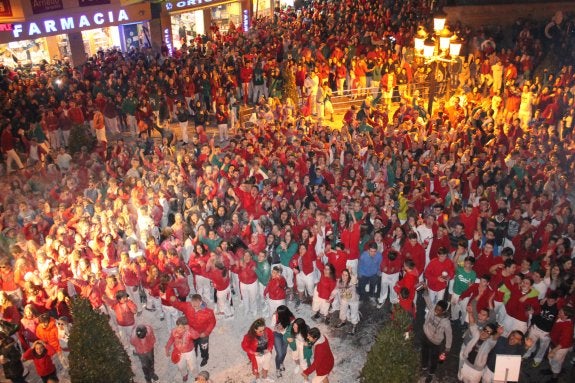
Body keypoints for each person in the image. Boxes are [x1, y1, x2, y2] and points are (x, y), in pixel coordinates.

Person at [171, 294, 216, 368]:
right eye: (193, 302)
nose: (194, 304)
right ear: (190, 301)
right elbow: (178, 305)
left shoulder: (208, 312)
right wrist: (173, 301)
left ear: (201, 302)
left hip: (203, 334)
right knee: (192, 346)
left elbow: (212, 323)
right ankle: (194, 355)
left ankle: (205, 357)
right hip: (191, 334)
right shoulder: (188, 306)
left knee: (204, 347)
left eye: (196, 302)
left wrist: (206, 333)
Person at [458, 305, 498, 383]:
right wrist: (470, 313)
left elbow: (494, 338)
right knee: (463, 376)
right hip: (467, 360)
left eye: (488, 332)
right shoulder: (477, 333)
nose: (485, 332)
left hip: (476, 370)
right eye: (485, 330)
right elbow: (472, 324)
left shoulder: (489, 343)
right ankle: (460, 377)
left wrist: (498, 334)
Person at [421, 287, 452, 383]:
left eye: (439, 310)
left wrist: (447, 348)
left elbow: (449, 335)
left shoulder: (446, 323)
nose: (436, 311)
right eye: (436, 308)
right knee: (424, 353)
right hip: (426, 336)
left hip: (435, 342)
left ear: (443, 311)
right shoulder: (432, 309)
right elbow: (427, 300)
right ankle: (424, 367)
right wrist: (425, 290)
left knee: (434, 359)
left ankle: (431, 374)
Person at [165, 316, 200, 382]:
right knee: (181, 366)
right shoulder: (174, 331)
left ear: (185, 327)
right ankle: (184, 374)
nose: (178, 328)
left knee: (193, 366)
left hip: (189, 352)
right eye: (177, 326)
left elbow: (196, 336)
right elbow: (171, 339)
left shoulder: (189, 332)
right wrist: (167, 347)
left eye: (180, 327)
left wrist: (189, 329)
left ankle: (196, 376)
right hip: (179, 352)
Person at [241, 317, 275, 383]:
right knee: (257, 367)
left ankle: (265, 377)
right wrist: (253, 352)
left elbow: (271, 339)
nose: (263, 332)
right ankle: (257, 378)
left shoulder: (267, 330)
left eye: (263, 329)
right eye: (260, 331)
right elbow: (244, 346)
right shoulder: (249, 336)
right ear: (255, 329)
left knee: (266, 365)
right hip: (256, 355)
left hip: (266, 352)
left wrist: (269, 348)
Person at [271, 305, 294, 378]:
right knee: (280, 353)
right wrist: (276, 328)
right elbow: (272, 326)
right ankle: (277, 369)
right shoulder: (275, 316)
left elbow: (292, 330)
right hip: (277, 334)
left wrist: (283, 330)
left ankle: (281, 362)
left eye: (278, 312)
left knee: (284, 352)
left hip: (286, 334)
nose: (276, 312)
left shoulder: (291, 318)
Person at [334, 269, 360, 334]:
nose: (344, 276)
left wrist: (351, 273)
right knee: (342, 311)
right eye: (343, 274)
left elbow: (355, 280)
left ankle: (354, 326)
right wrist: (330, 297)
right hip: (344, 299)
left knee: (354, 313)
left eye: (346, 275)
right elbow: (336, 289)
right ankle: (343, 322)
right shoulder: (339, 281)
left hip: (353, 300)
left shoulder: (351, 281)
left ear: (349, 276)